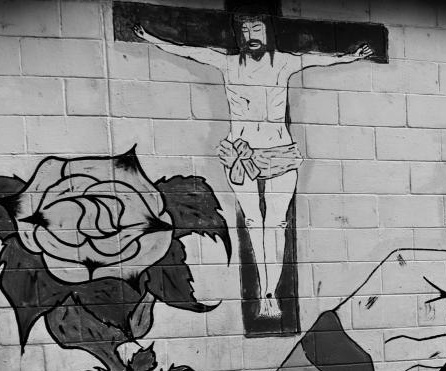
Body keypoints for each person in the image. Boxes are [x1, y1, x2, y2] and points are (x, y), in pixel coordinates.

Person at [134, 17, 372, 322]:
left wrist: (350, 57)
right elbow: (189, 51)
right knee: (252, 222)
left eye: (257, 29)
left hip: (278, 153)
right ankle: (263, 293)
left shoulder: (284, 63)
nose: (250, 36)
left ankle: (270, 294)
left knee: (276, 224)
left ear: (268, 33)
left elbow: (318, 60)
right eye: (245, 31)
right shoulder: (228, 64)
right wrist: (151, 38)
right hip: (239, 153)